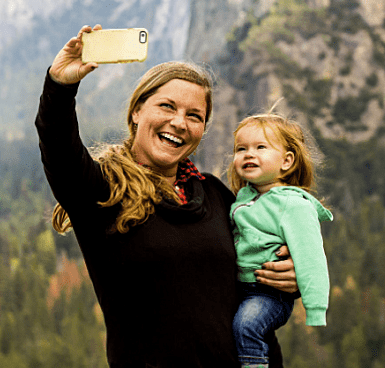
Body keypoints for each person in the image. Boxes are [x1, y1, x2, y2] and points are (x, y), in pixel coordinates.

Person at [35, 24, 298, 367]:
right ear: (137, 111)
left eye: (194, 116)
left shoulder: (214, 193)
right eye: (167, 106)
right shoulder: (102, 192)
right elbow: (59, 147)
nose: (179, 122)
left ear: (202, 130)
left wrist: (288, 275)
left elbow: (260, 256)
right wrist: (60, 85)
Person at [227, 113, 332, 368]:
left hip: (270, 294)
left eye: (260, 147)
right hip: (240, 289)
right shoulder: (242, 198)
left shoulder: (293, 204)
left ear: (286, 161)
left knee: (247, 324)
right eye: (241, 149)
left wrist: (315, 307)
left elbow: (311, 258)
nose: (249, 154)